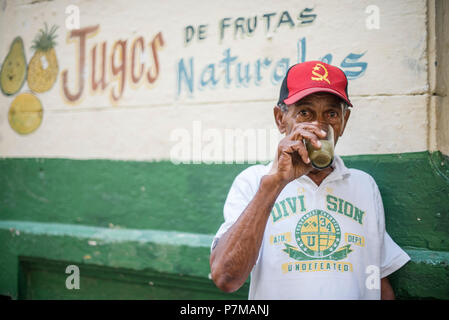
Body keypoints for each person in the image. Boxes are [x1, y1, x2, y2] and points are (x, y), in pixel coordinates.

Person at [209, 61, 410, 300]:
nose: (319, 126)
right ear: (280, 119)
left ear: (344, 122)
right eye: (305, 113)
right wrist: (274, 184)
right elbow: (226, 278)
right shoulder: (254, 182)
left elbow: (376, 279)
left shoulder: (363, 185)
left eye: (331, 114)